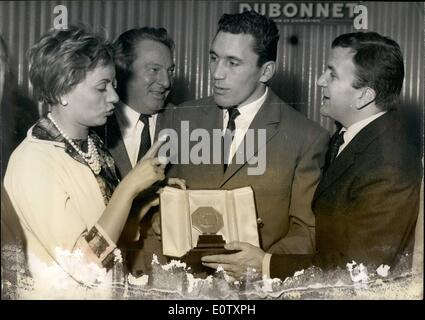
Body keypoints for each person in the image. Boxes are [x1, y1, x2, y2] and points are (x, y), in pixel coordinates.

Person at [218, 32, 423, 280]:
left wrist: (266, 264)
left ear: (364, 96)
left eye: (332, 74)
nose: (319, 81)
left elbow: (360, 269)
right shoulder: (351, 137)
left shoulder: (389, 164)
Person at [166, 10, 329, 278]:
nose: (217, 73)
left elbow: (305, 231)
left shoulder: (308, 137)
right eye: (214, 58)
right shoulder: (179, 117)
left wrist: (263, 263)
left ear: (265, 71)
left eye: (233, 63)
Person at [3, 26, 167, 291]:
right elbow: (85, 266)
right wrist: (128, 188)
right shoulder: (34, 162)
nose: (114, 97)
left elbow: (105, 236)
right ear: (61, 92)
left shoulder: (93, 146)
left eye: (113, 85)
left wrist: (140, 207)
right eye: (101, 87)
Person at [96, 27, 178, 276]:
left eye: (170, 71)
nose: (166, 82)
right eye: (154, 70)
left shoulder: (188, 124)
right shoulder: (92, 129)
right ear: (121, 71)